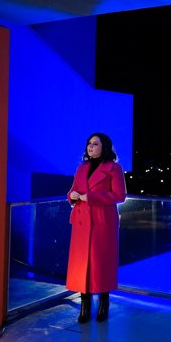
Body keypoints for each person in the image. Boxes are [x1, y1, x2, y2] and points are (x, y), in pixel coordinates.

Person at [66, 132, 126, 323]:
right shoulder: (82, 167)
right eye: (89, 143)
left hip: (102, 222)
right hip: (81, 221)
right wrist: (72, 196)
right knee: (82, 265)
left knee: (101, 263)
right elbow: (73, 190)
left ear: (104, 147)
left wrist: (90, 197)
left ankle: (103, 303)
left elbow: (120, 196)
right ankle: (85, 306)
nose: (90, 147)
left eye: (95, 144)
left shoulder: (114, 168)